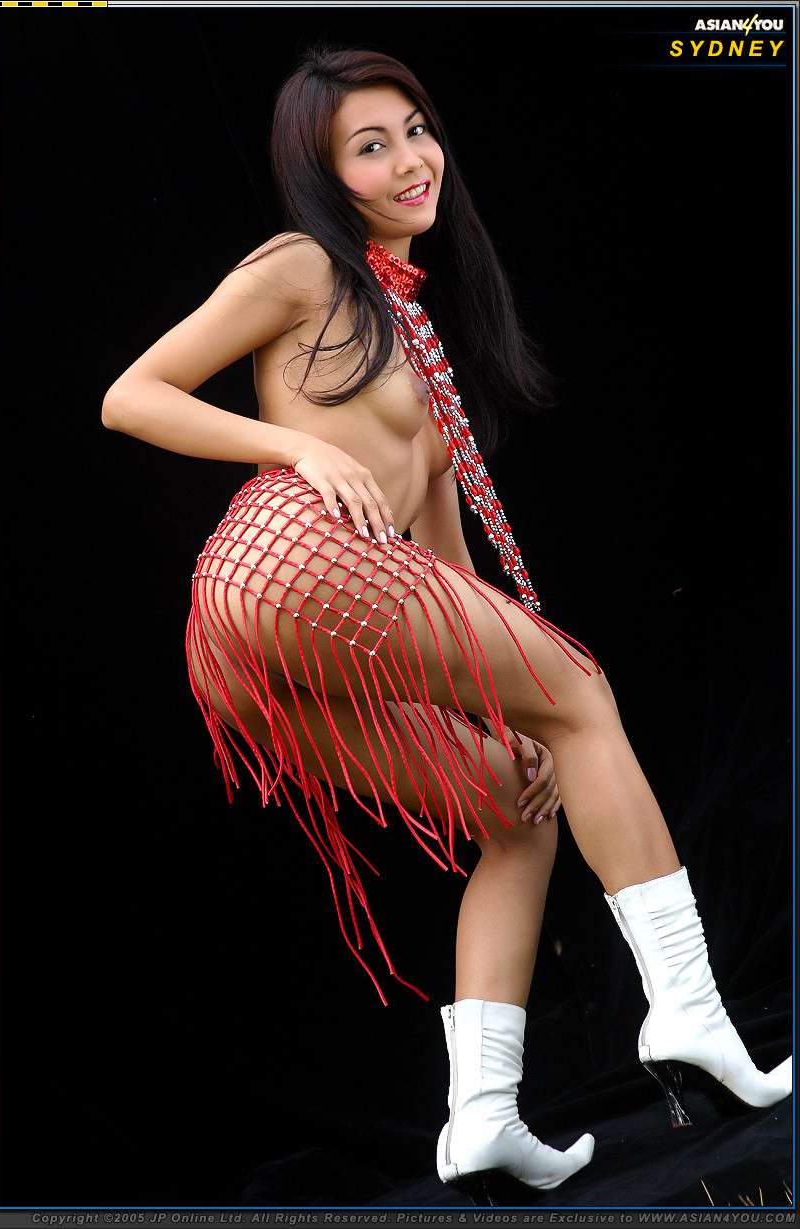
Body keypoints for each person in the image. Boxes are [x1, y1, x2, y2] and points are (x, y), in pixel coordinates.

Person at [101, 43, 791, 1204]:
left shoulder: (415, 348)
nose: (410, 159)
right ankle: (690, 1008)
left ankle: (479, 1117)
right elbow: (131, 396)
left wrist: (506, 704)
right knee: (583, 692)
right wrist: (297, 444)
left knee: (516, 800)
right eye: (370, 146)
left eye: (416, 129)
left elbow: (442, 574)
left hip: (288, 623)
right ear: (326, 177)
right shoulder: (300, 265)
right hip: (284, 557)